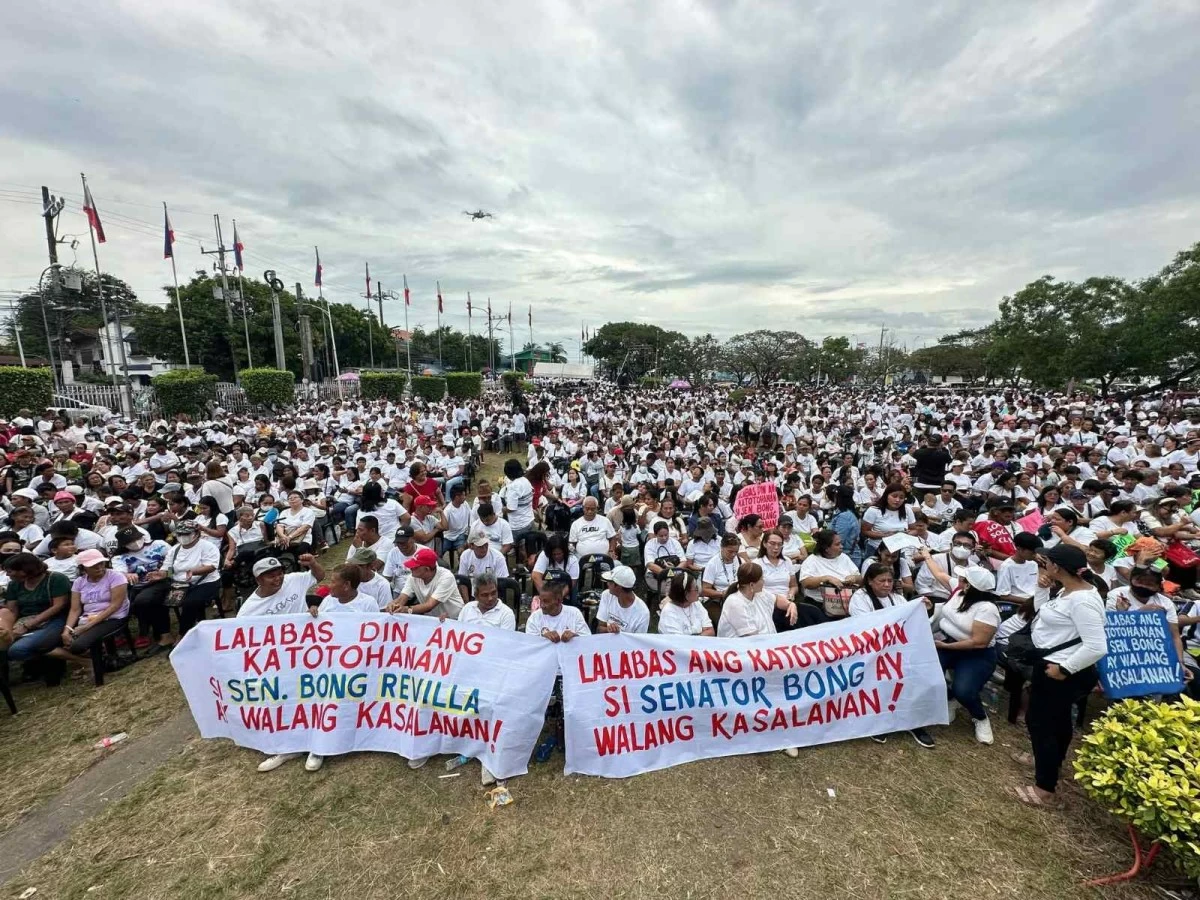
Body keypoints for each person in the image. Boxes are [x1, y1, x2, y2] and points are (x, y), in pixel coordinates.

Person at [1012, 544, 1107, 808]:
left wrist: (1064, 669)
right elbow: (1043, 615)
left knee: (1042, 724)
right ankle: (1049, 761)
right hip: (1054, 665)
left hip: (1063, 671)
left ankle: (1045, 789)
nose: (1042, 567)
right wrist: (1041, 588)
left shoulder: (1083, 600)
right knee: (1057, 722)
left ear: (1056, 567)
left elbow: (1097, 646)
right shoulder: (1068, 590)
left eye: (1045, 564)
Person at [241, 554, 326, 773]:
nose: (277, 578)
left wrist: (313, 563)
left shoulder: (294, 579)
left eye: (279, 573)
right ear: (258, 580)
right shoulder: (249, 610)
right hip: (279, 662)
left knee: (315, 696)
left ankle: (318, 746)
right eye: (270, 576)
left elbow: (319, 576)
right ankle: (289, 746)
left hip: (310, 653)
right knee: (285, 701)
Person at [849, 563, 936, 749]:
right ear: (870, 582)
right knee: (883, 678)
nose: (887, 584)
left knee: (914, 676)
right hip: (872, 651)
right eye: (882, 581)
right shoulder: (860, 598)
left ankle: (914, 722)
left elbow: (914, 622)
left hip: (900, 650)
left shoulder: (898, 599)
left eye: (889, 580)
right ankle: (881, 721)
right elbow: (863, 626)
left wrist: (924, 609)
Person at [717, 562, 798, 757]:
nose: (765, 582)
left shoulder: (759, 594)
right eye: (762, 579)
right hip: (743, 657)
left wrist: (791, 604)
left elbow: (778, 600)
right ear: (752, 584)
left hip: (767, 651)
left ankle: (783, 725)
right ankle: (775, 733)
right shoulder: (735, 603)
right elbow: (752, 641)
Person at [932, 564, 1002, 745]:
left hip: (975, 653)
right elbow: (938, 571)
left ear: (971, 585)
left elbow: (979, 642)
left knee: (964, 690)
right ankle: (949, 698)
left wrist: (944, 646)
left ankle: (980, 717)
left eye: (964, 579)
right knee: (929, 674)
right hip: (946, 643)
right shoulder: (959, 591)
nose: (959, 580)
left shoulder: (987, 609)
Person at [51, 548, 130, 667]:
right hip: (88, 617)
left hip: (113, 617)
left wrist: (86, 627)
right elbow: (75, 609)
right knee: (53, 643)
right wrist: (67, 630)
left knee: (77, 646)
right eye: (94, 566)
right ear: (83, 568)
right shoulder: (79, 582)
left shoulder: (116, 577)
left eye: (101, 563)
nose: (99, 568)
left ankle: (99, 661)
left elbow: (115, 606)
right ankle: (95, 660)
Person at [0, 552, 71, 672]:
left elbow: (58, 606)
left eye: (10, 571)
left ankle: (76, 660)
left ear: (24, 570)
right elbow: (12, 610)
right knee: (4, 645)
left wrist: (29, 625)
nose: (7, 574)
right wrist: (9, 629)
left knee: (17, 649)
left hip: (53, 619)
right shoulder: (14, 584)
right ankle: (39, 664)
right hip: (23, 619)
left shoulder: (56, 579)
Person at [387, 546, 463, 619]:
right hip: (432, 619)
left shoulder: (446, 577)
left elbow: (429, 605)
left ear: (427, 569)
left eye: (415, 567)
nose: (411, 568)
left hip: (455, 619)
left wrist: (406, 609)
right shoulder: (413, 577)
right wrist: (394, 605)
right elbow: (402, 598)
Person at [595, 565, 650, 634]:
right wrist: (608, 629)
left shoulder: (643, 613)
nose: (607, 584)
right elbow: (599, 628)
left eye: (610, 582)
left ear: (618, 586)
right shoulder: (606, 595)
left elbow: (638, 642)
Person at [658, 569, 714, 636]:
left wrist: (697, 638)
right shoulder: (669, 612)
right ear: (685, 594)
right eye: (696, 588)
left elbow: (710, 631)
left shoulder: (696, 604)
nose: (699, 590)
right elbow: (678, 642)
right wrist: (701, 636)